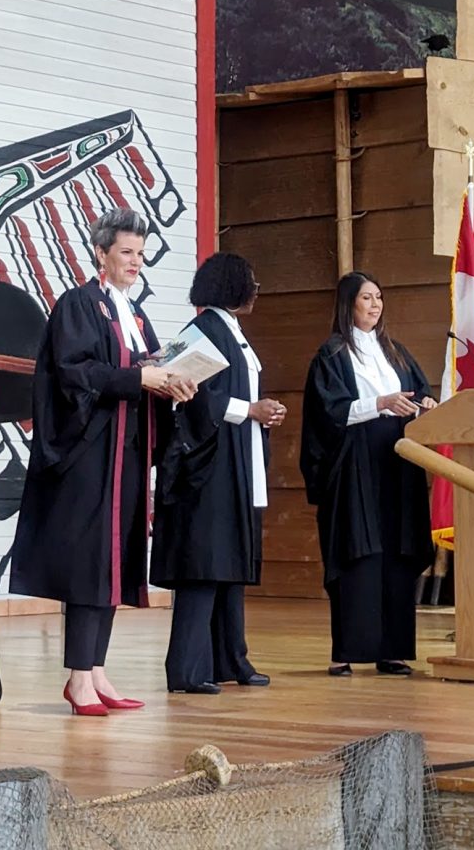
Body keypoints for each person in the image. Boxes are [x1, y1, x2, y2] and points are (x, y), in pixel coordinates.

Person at [11, 207, 196, 717]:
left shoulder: (135, 315)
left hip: (128, 453)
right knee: (91, 566)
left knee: (115, 564)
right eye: (126, 252)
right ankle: (77, 676)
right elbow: (74, 372)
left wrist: (174, 379)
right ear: (101, 254)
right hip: (90, 455)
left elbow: (147, 367)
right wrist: (140, 380)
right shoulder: (79, 304)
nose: (135, 262)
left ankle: (96, 669)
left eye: (140, 253)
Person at [152, 252, 285, 693]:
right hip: (207, 466)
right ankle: (188, 670)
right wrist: (250, 409)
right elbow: (183, 392)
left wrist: (259, 413)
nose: (256, 289)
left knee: (229, 564)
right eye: (250, 281)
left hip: (236, 459)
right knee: (205, 566)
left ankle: (232, 659)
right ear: (230, 285)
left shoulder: (231, 330)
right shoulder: (200, 330)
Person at [299, 271, 437, 677]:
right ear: (348, 304)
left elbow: (417, 391)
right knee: (359, 551)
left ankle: (391, 650)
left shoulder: (395, 352)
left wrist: (426, 403)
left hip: (398, 460)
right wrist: (379, 403)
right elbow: (329, 412)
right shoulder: (333, 354)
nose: (374, 305)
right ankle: (346, 651)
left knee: (397, 550)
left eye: (379, 297)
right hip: (355, 462)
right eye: (366, 298)